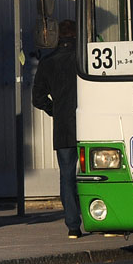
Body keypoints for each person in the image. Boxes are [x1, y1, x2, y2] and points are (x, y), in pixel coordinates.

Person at [32, 19, 82, 239]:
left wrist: (55, 110)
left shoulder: (48, 62)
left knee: (67, 175)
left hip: (62, 126)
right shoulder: (84, 59)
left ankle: (73, 225)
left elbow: (37, 98)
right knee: (96, 172)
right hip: (89, 124)